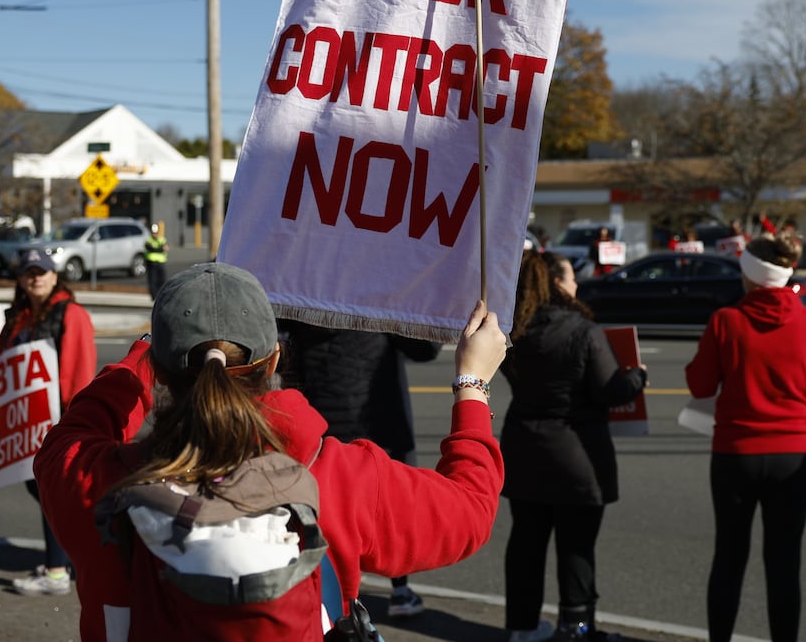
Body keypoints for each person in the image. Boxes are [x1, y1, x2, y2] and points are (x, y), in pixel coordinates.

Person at [34, 262, 508, 642]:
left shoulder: (94, 481)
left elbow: (76, 428)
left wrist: (142, 353)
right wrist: (472, 383)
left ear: (159, 370)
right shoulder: (340, 476)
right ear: (276, 359)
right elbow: (470, 508)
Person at [685, 233, 806, 642]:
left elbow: (699, 386)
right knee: (784, 562)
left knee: (729, 558)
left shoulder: (726, 321)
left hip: (736, 454)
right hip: (794, 453)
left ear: (748, 276)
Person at [502, 250, 648, 642]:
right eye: (570, 277)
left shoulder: (513, 330)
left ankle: (521, 626)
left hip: (524, 449)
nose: (576, 284)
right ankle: (576, 626)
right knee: (576, 547)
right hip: (576, 454)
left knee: (526, 544)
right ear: (556, 283)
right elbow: (610, 390)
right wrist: (636, 377)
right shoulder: (583, 331)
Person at [278, 319, 441, 619]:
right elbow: (425, 348)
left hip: (322, 427)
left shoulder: (306, 298)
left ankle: (337, 598)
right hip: (379, 422)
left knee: (327, 517)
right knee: (394, 513)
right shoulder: (376, 300)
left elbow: (286, 355)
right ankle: (400, 588)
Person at [0, 246, 97, 596]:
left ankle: (57, 571)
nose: (35, 277)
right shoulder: (19, 317)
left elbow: (79, 372)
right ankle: (64, 560)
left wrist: (72, 423)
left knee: (52, 492)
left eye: (41, 271)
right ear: (21, 280)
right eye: (28, 272)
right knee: (41, 490)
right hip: (26, 425)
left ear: (55, 276)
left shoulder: (71, 314)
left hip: (56, 424)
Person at [144, 222, 169, 298]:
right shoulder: (148, 240)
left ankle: (161, 295)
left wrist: (158, 248)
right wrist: (160, 248)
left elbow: (165, 248)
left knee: (162, 280)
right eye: (153, 233)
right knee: (153, 281)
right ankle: (154, 296)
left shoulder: (162, 239)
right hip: (152, 263)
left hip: (161, 263)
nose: (154, 234)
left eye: (156, 233)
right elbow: (152, 248)